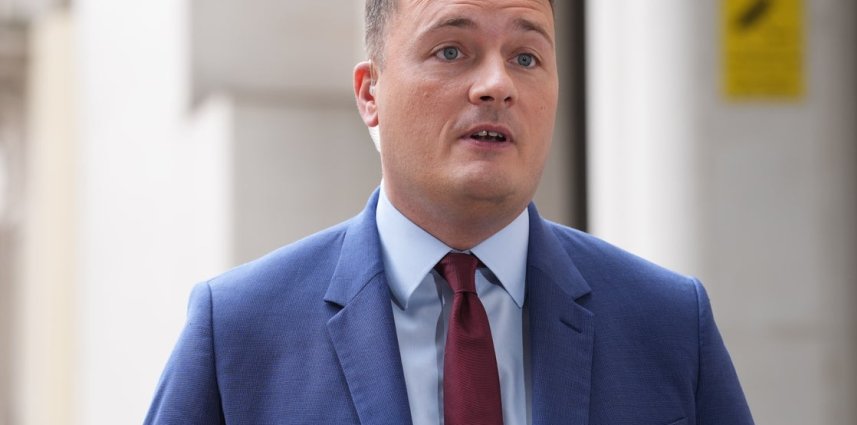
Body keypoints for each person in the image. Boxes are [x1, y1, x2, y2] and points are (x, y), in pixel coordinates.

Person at [145, 0, 754, 424]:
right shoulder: (239, 332)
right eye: (452, 50)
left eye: (526, 57)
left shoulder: (669, 324)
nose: (496, 85)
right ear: (370, 94)